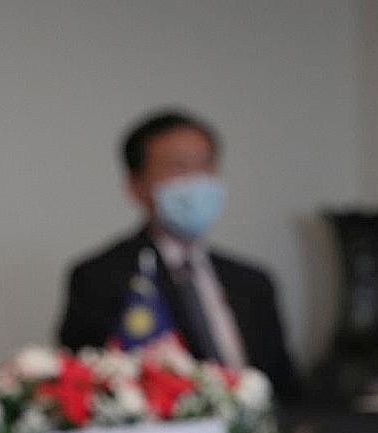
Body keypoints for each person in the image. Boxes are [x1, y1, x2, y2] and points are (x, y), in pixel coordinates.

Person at [56, 110, 301, 399]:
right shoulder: (100, 278)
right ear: (137, 186)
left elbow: (287, 388)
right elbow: (85, 389)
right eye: (178, 167)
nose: (196, 181)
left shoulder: (252, 282)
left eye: (206, 165)